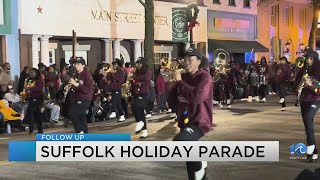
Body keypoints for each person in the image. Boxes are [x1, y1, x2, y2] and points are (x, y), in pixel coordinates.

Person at [172, 47, 213, 180]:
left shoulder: (205, 77)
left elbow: (197, 98)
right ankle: (199, 168)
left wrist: (179, 82)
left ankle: (201, 162)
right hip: (185, 121)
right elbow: (173, 100)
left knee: (180, 140)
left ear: (199, 61)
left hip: (199, 121)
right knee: (191, 166)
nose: (187, 62)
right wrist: (171, 84)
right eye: (185, 59)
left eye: (190, 60)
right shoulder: (184, 77)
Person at [295, 51, 320, 162]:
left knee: (308, 118)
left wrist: (311, 85)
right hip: (304, 99)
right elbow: (295, 87)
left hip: (315, 99)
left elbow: (318, 89)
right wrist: (299, 86)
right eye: (307, 58)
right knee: (307, 126)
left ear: (315, 59)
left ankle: (310, 151)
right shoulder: (303, 71)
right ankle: (314, 150)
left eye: (310, 58)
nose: (308, 60)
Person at [68, 57, 94, 134]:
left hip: (84, 98)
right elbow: (75, 86)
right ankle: (84, 133)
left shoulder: (86, 74)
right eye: (75, 64)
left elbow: (87, 89)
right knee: (81, 116)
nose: (76, 66)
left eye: (78, 64)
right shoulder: (76, 74)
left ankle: (80, 131)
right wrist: (71, 86)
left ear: (83, 65)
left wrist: (76, 84)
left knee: (73, 113)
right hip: (77, 97)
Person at [129, 57, 151, 138]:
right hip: (136, 92)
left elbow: (144, 78)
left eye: (138, 63)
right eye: (137, 63)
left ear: (142, 64)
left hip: (143, 93)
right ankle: (144, 130)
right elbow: (135, 81)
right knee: (138, 110)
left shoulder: (146, 71)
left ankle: (139, 122)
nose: (137, 65)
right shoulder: (136, 72)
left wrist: (134, 78)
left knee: (137, 107)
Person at [25, 68, 45, 134]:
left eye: (32, 72)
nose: (31, 73)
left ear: (36, 73)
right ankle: (31, 127)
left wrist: (30, 88)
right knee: (30, 113)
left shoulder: (39, 79)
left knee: (38, 115)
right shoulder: (28, 80)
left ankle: (40, 129)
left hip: (38, 99)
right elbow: (26, 88)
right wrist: (27, 93)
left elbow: (39, 89)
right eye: (30, 72)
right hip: (31, 99)